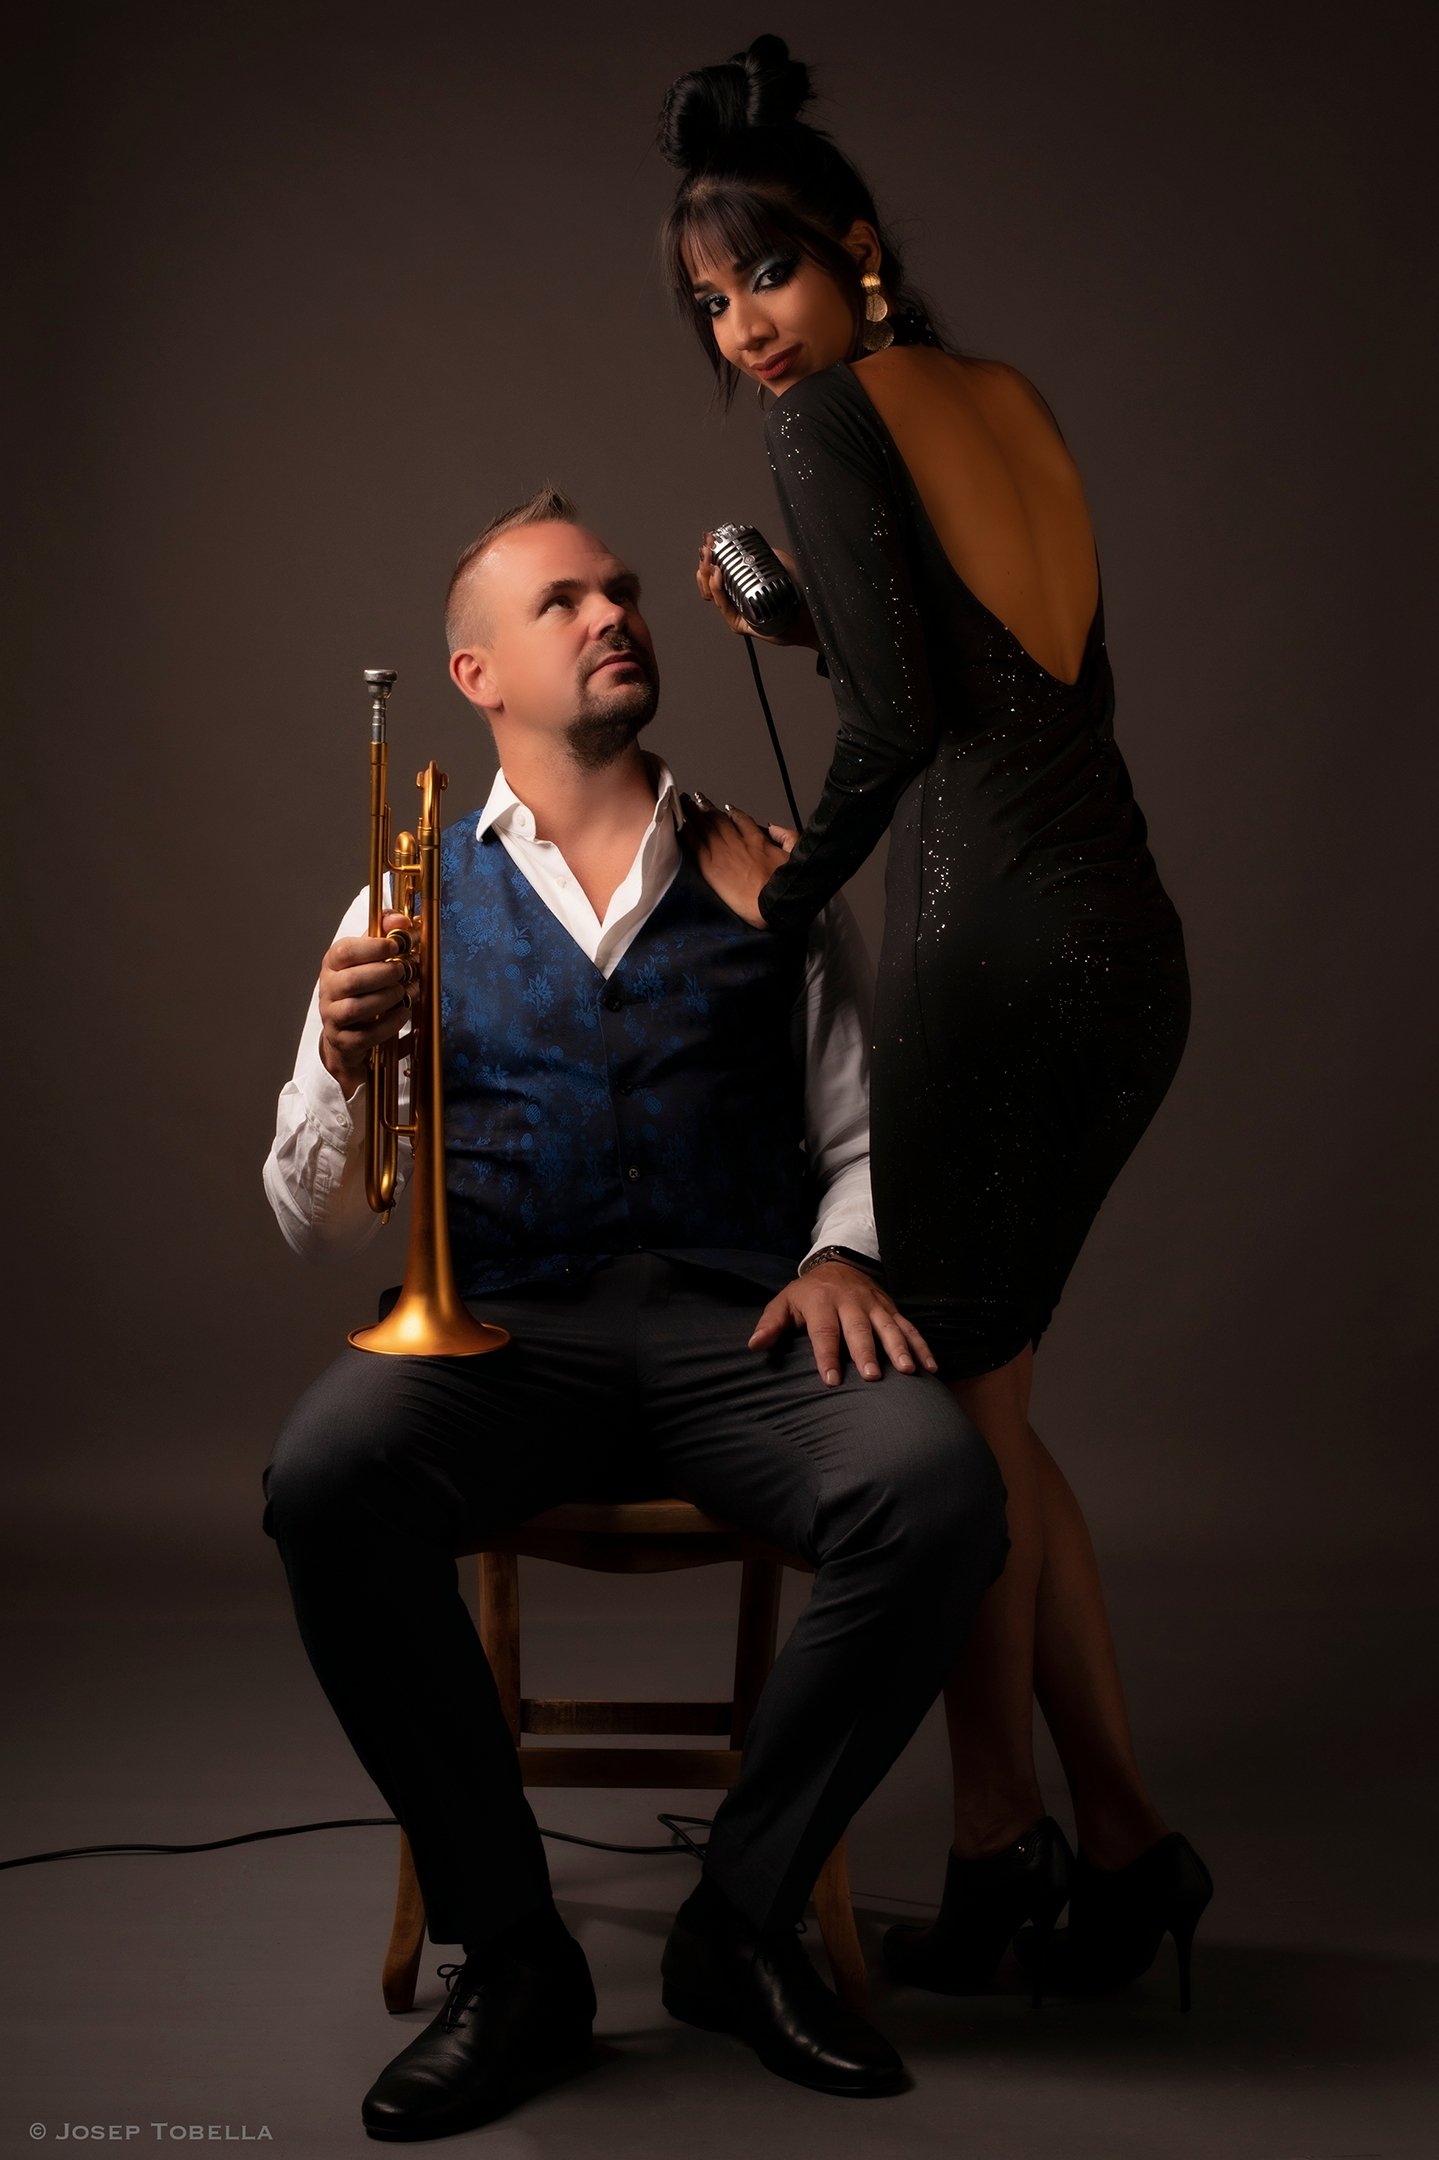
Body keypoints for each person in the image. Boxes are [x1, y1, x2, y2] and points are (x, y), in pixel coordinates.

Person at [261, 486, 1008, 2140]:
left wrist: (843, 1256)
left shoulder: (768, 869)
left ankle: (738, 1922)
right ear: (476, 675)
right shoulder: (397, 903)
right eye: (563, 603)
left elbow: (859, 1138)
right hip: (501, 1341)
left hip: (737, 1333)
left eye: (620, 592)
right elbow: (310, 1215)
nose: (614, 614)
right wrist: (345, 1059)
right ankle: (515, 1956)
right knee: (323, 1482)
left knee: (941, 1489)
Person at [654, 34, 1213, 2012]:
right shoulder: (1008, 399)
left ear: (857, 248)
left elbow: (898, 738)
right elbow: (1011, 685)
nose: (749, 332)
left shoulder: (824, 429)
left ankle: (1004, 1853)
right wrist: (805, 619)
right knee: (989, 1404)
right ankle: (1122, 1851)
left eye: (769, 275)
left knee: (956, 1441)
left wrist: (779, 893)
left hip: (996, 967)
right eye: (712, 306)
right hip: (1127, 953)